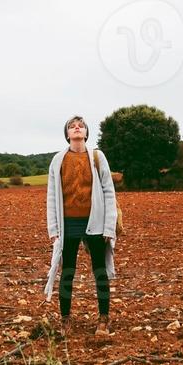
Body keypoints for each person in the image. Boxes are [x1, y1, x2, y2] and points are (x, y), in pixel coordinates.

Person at [44, 115, 118, 337]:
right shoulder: (58, 160)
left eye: (81, 126)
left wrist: (108, 227)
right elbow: (52, 196)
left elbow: (108, 191)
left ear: (86, 132)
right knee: (68, 272)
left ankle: (104, 319)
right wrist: (54, 229)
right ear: (67, 134)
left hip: (94, 222)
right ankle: (65, 320)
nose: (77, 128)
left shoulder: (97, 157)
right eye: (72, 126)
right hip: (68, 224)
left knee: (99, 271)